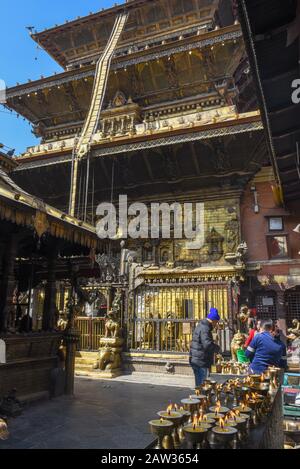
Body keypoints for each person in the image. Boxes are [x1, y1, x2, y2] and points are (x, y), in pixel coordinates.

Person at [189, 308, 221, 386]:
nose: (216, 324)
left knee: (199, 384)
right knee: (202, 385)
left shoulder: (202, 325)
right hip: (201, 361)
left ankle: (200, 396)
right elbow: (207, 344)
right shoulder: (205, 328)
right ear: (213, 320)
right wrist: (217, 348)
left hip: (196, 359)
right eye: (216, 322)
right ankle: (202, 397)